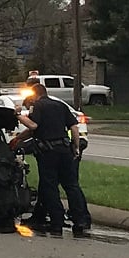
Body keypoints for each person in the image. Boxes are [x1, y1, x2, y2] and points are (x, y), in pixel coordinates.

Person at [12, 83, 91, 235]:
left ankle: (57, 222)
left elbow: (34, 125)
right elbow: (74, 127)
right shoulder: (60, 105)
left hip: (48, 153)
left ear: (35, 94)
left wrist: (18, 115)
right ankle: (80, 220)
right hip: (65, 150)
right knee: (71, 185)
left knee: (50, 186)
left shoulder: (38, 106)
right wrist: (75, 147)